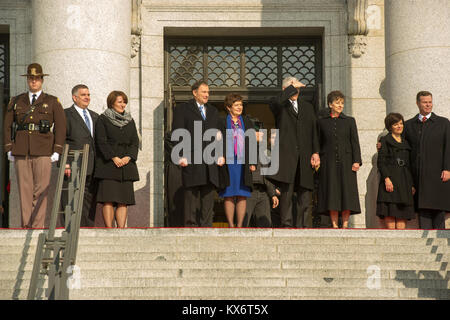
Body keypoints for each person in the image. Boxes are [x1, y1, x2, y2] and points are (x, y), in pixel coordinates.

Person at [3, 63, 66, 228]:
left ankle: (37, 226)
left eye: (37, 78)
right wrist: (9, 148)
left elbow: (60, 127)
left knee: (41, 190)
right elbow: (6, 126)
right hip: (21, 150)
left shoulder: (52, 101)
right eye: (31, 78)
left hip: (44, 150)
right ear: (27, 80)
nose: (33, 81)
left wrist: (57, 150)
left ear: (42, 80)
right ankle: (26, 225)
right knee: (25, 190)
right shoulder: (16, 101)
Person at [171, 80, 225, 227]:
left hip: (210, 160)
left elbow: (219, 135)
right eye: (204, 92)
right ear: (195, 93)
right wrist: (180, 155)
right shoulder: (183, 109)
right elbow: (177, 133)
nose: (207, 95)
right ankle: (190, 226)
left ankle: (206, 226)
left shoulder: (213, 111)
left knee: (208, 195)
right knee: (191, 195)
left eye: (208, 92)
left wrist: (220, 154)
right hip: (191, 158)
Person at [269, 76, 320, 228]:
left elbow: (314, 131)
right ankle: (287, 224)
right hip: (287, 156)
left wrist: (316, 152)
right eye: (292, 88)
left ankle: (304, 225)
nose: (296, 90)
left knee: (305, 194)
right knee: (287, 193)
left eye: (297, 88)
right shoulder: (279, 105)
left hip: (305, 156)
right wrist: (292, 86)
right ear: (285, 90)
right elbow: (277, 101)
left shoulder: (307, 106)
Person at [403, 91, 450, 229]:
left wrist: (447, 168)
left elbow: (449, 147)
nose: (428, 105)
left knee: (438, 206)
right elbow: (400, 144)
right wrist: (381, 143)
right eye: (424, 102)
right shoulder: (409, 125)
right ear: (417, 103)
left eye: (430, 102)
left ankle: (439, 238)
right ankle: (424, 242)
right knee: (422, 208)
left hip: (438, 175)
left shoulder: (443, 123)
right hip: (418, 176)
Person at [316, 91, 362, 228]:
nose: (340, 105)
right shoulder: (322, 122)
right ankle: (335, 224)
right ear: (330, 104)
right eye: (337, 102)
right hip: (328, 162)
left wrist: (357, 160)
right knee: (332, 192)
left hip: (347, 162)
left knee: (346, 192)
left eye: (342, 103)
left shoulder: (349, 121)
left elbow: (355, 142)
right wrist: (317, 155)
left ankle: (345, 224)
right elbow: (318, 142)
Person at [94, 91, 139, 228]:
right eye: (120, 102)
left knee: (123, 200)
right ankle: (109, 229)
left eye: (124, 102)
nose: (123, 104)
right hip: (108, 164)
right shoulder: (103, 119)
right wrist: (113, 157)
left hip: (126, 165)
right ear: (112, 102)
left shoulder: (130, 120)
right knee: (108, 200)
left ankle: (121, 229)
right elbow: (101, 141)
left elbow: (134, 142)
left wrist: (128, 157)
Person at [63, 84, 99, 227]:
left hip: (92, 166)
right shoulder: (65, 114)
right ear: (74, 97)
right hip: (73, 164)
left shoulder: (95, 116)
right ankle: (72, 228)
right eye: (83, 95)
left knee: (89, 200)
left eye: (88, 95)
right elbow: (61, 139)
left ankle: (87, 228)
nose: (87, 97)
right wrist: (65, 163)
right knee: (72, 198)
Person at [218, 93, 256, 228]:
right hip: (227, 162)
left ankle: (239, 226)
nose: (240, 107)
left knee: (242, 193)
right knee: (228, 194)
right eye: (236, 105)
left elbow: (252, 142)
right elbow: (217, 141)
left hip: (243, 163)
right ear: (229, 107)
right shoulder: (221, 122)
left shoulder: (247, 121)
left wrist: (252, 162)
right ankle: (230, 225)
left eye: (241, 104)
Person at [376, 113, 415, 229]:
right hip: (390, 181)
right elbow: (381, 162)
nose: (399, 126)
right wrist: (387, 179)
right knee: (391, 213)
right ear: (390, 126)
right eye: (395, 124)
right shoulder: (385, 140)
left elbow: (409, 165)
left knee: (402, 215)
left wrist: (411, 184)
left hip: (404, 182)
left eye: (401, 123)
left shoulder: (406, 142)